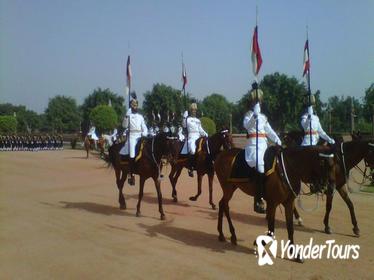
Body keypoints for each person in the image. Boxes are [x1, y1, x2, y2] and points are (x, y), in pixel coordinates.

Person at [243, 82, 282, 214]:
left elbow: (269, 131)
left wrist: (277, 140)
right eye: (255, 101)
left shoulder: (263, 117)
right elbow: (247, 127)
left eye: (258, 101)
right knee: (260, 165)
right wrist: (254, 116)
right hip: (253, 145)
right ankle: (258, 198)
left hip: (264, 144)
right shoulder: (249, 115)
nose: (257, 103)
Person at [119, 95, 148, 185]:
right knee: (132, 153)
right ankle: (131, 174)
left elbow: (145, 127)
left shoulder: (140, 116)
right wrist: (126, 116)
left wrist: (144, 134)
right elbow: (124, 125)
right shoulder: (129, 116)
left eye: (135, 105)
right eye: (133, 105)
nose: (134, 107)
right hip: (132, 136)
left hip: (140, 135)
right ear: (131, 106)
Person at [183, 103, 208, 177]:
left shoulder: (198, 120)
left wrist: (206, 134)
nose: (194, 111)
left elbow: (200, 129)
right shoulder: (188, 119)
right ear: (190, 111)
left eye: (195, 110)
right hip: (191, 137)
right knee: (193, 150)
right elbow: (184, 125)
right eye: (192, 110)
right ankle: (191, 167)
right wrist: (184, 117)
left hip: (198, 136)